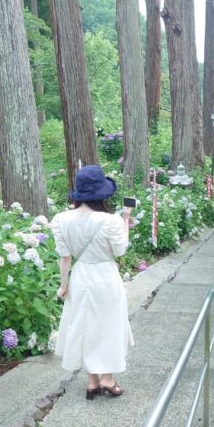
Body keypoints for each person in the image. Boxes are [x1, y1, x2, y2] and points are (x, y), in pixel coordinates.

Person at [50, 165, 134, 400]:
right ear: (102, 194)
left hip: (80, 276)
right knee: (107, 326)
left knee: (85, 326)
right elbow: (119, 251)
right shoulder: (111, 221)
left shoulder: (61, 220)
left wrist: (63, 286)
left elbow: (65, 257)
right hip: (105, 277)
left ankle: (92, 381)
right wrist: (125, 220)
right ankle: (107, 378)